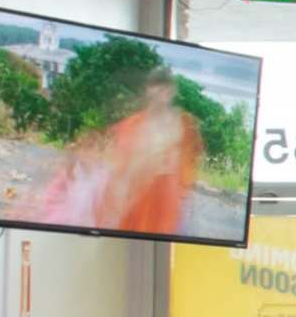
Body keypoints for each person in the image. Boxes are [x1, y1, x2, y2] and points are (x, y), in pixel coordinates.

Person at [32, 58, 202, 235]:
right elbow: (121, 165)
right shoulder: (133, 124)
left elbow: (190, 164)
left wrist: (180, 190)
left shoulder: (184, 124)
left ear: (172, 91)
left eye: (166, 88)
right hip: (139, 200)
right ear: (149, 90)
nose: (162, 93)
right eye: (158, 87)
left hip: (167, 200)